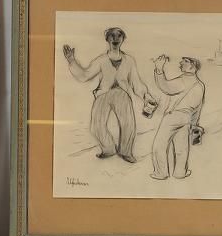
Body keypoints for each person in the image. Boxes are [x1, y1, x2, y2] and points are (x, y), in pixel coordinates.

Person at [62, 27, 155, 162]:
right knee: (96, 126)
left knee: (128, 124)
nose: (115, 38)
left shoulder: (129, 60)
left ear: (123, 39)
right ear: (107, 39)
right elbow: (84, 76)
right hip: (103, 94)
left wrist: (146, 96)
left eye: (119, 35)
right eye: (112, 35)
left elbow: (136, 83)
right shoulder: (101, 60)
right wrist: (72, 61)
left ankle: (126, 152)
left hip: (122, 94)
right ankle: (108, 149)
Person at [150, 55, 205, 180]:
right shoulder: (200, 85)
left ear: (192, 66)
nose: (181, 63)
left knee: (159, 145)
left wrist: (159, 70)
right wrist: (194, 124)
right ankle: (180, 173)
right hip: (187, 118)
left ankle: (161, 173)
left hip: (173, 116)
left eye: (185, 61)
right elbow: (198, 108)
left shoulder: (183, 80)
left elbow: (165, 87)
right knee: (181, 148)